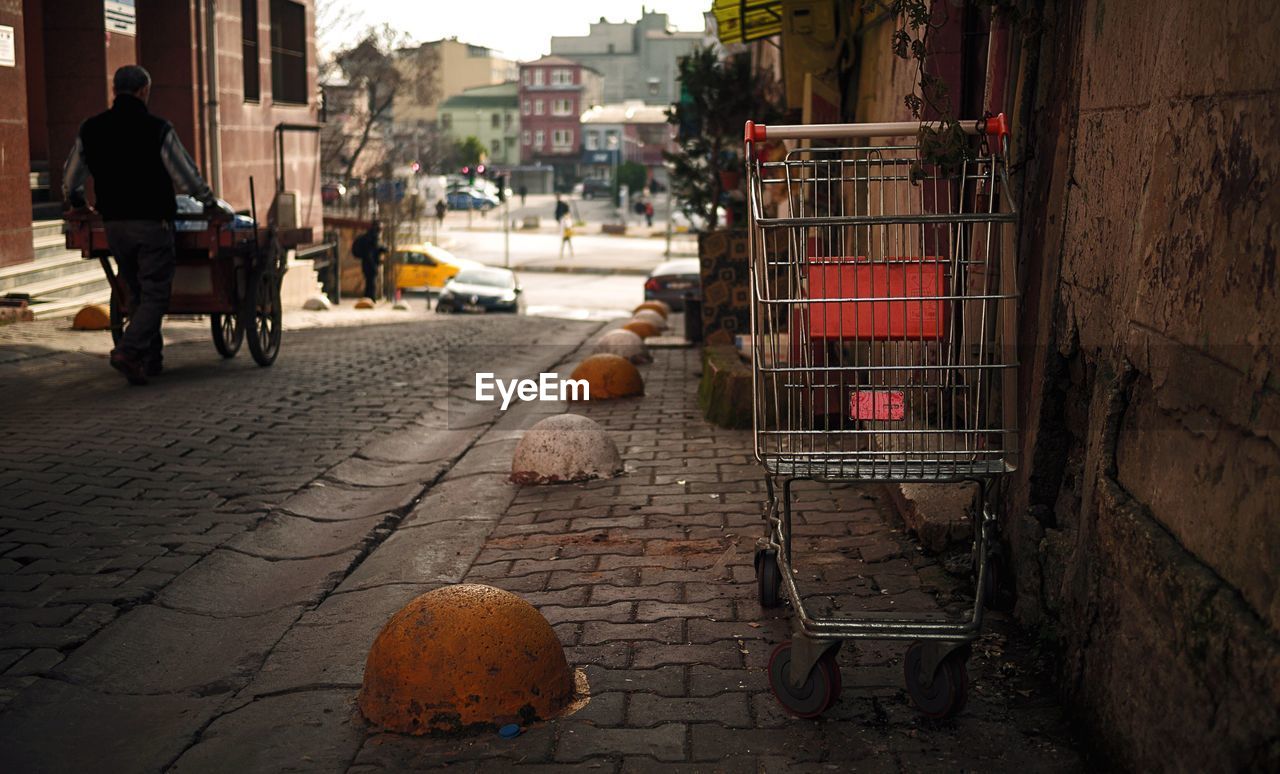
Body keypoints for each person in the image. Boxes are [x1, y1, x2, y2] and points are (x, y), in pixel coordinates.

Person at [63, 64, 220, 386]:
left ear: (114, 91)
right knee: (156, 295)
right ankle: (129, 350)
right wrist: (209, 202)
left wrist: (79, 203)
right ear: (144, 91)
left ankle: (151, 359)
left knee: (134, 290)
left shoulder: (91, 128)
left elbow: (70, 179)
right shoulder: (157, 128)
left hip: (114, 226)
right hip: (151, 223)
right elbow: (185, 175)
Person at [352, 221, 388, 301]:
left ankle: (368, 298)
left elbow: (376, 249)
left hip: (367, 264)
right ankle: (370, 299)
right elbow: (371, 252)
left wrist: (383, 249)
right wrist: (374, 266)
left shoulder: (370, 236)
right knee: (371, 283)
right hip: (370, 264)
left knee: (369, 282)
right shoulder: (372, 238)